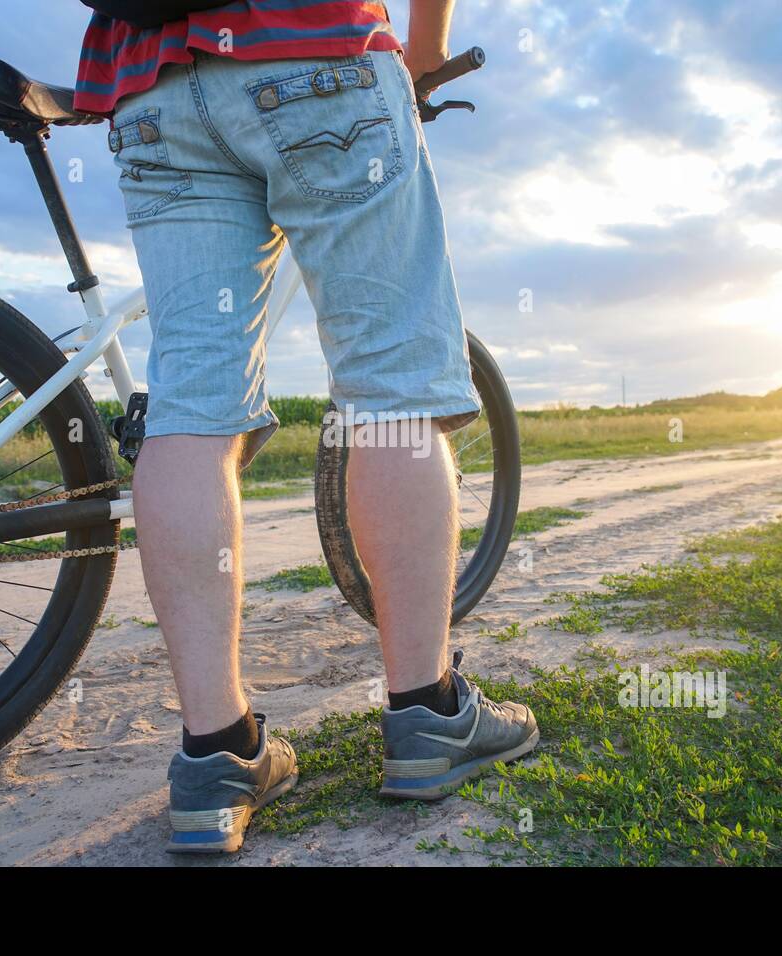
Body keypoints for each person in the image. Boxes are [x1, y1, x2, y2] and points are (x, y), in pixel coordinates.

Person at [74, 0, 539, 854]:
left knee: (189, 411)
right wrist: (424, 52)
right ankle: (427, 715)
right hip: (313, 50)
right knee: (394, 387)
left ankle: (216, 756)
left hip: (148, 86)